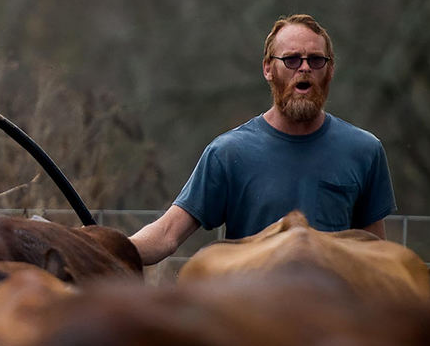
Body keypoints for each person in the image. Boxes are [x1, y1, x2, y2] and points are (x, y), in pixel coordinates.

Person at [130, 14, 396, 266]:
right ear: (268, 68)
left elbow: (374, 255)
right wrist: (108, 248)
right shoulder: (228, 153)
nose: (304, 68)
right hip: (249, 310)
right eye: (291, 60)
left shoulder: (364, 151)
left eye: (316, 60)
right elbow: (167, 235)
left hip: (333, 312)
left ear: (330, 70)